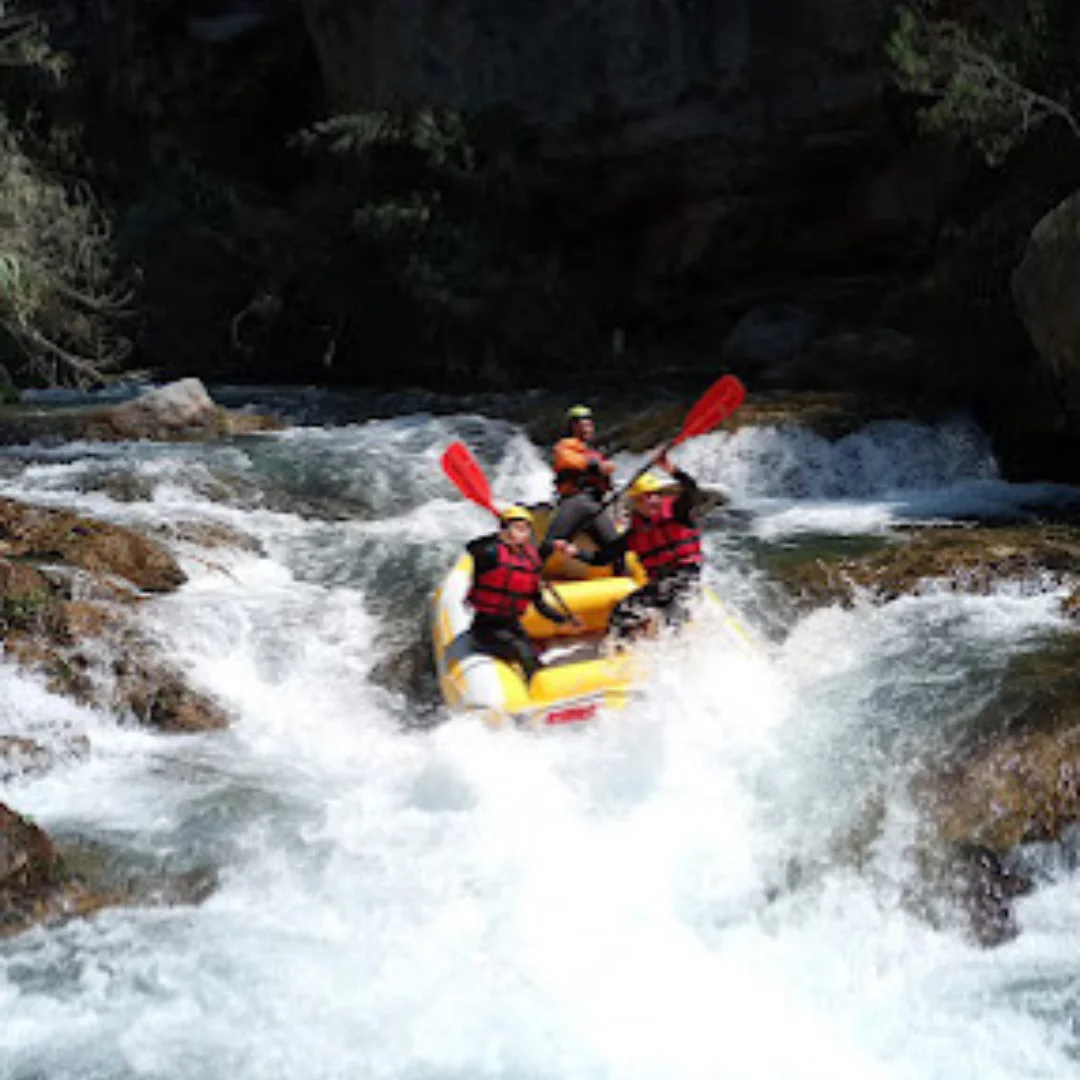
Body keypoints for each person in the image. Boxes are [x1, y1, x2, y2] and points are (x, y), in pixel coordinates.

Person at [578, 454, 706, 641]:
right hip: (659, 583)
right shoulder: (634, 534)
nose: (653, 500)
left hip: (684, 576)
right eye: (646, 497)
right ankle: (625, 648)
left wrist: (670, 468)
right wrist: (573, 552)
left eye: (656, 495)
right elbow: (602, 558)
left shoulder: (678, 513)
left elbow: (692, 489)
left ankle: (675, 643)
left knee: (672, 614)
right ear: (635, 504)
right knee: (621, 614)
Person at [466, 505, 574, 683]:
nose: (522, 533)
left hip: (511, 624)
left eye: (525, 529)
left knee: (532, 653)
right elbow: (472, 547)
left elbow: (539, 602)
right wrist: (497, 536)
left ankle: (536, 682)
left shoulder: (530, 561)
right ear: (505, 530)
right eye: (517, 528)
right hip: (486, 627)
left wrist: (563, 619)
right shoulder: (491, 553)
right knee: (521, 650)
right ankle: (536, 688)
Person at [539, 405, 626, 574]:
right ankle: (528, 578)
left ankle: (620, 579)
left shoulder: (593, 451)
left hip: (596, 505)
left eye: (589, 424)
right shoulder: (565, 446)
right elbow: (569, 461)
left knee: (616, 549)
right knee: (551, 543)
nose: (588, 428)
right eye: (583, 424)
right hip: (576, 501)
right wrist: (598, 466)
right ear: (573, 427)